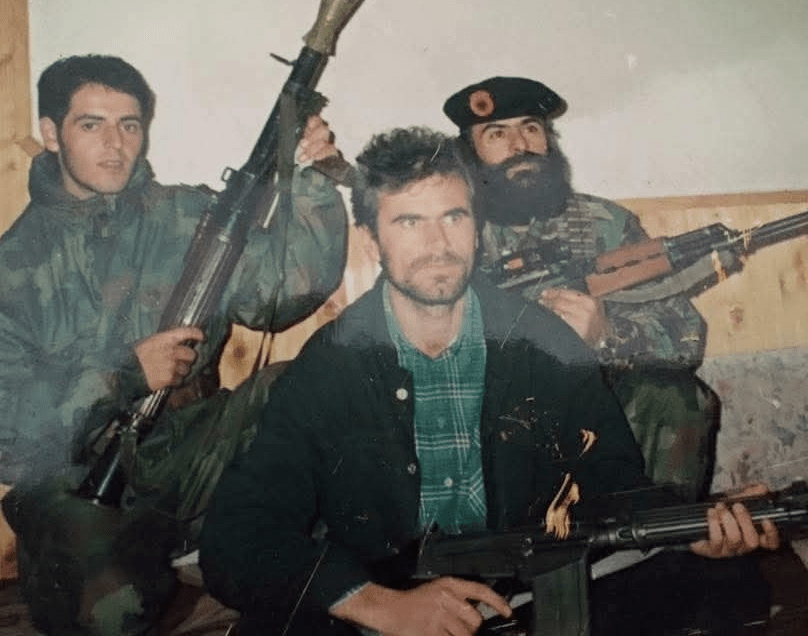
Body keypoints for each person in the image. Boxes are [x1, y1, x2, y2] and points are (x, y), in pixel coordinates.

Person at [199, 127, 777, 636]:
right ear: (373, 243)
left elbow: (610, 483)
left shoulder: (540, 338)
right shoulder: (333, 362)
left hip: (524, 589)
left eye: (454, 217)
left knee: (724, 586)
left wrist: (689, 526)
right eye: (409, 222)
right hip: (388, 596)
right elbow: (237, 535)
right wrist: (378, 606)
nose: (438, 244)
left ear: (478, 230)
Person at [0, 54, 348, 636]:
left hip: (196, 445)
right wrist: (123, 373)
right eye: (91, 124)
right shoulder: (8, 274)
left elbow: (282, 292)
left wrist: (309, 176)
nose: (115, 144)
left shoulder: (186, 217)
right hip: (74, 479)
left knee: (308, 388)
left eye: (129, 125)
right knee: (112, 605)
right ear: (50, 134)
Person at [442, 76, 716, 499]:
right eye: (497, 133)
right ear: (469, 152)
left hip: (596, 407)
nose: (521, 145)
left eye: (531, 128)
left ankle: (664, 536)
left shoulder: (605, 225)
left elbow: (686, 333)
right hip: (499, 420)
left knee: (675, 395)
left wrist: (607, 334)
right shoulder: (447, 233)